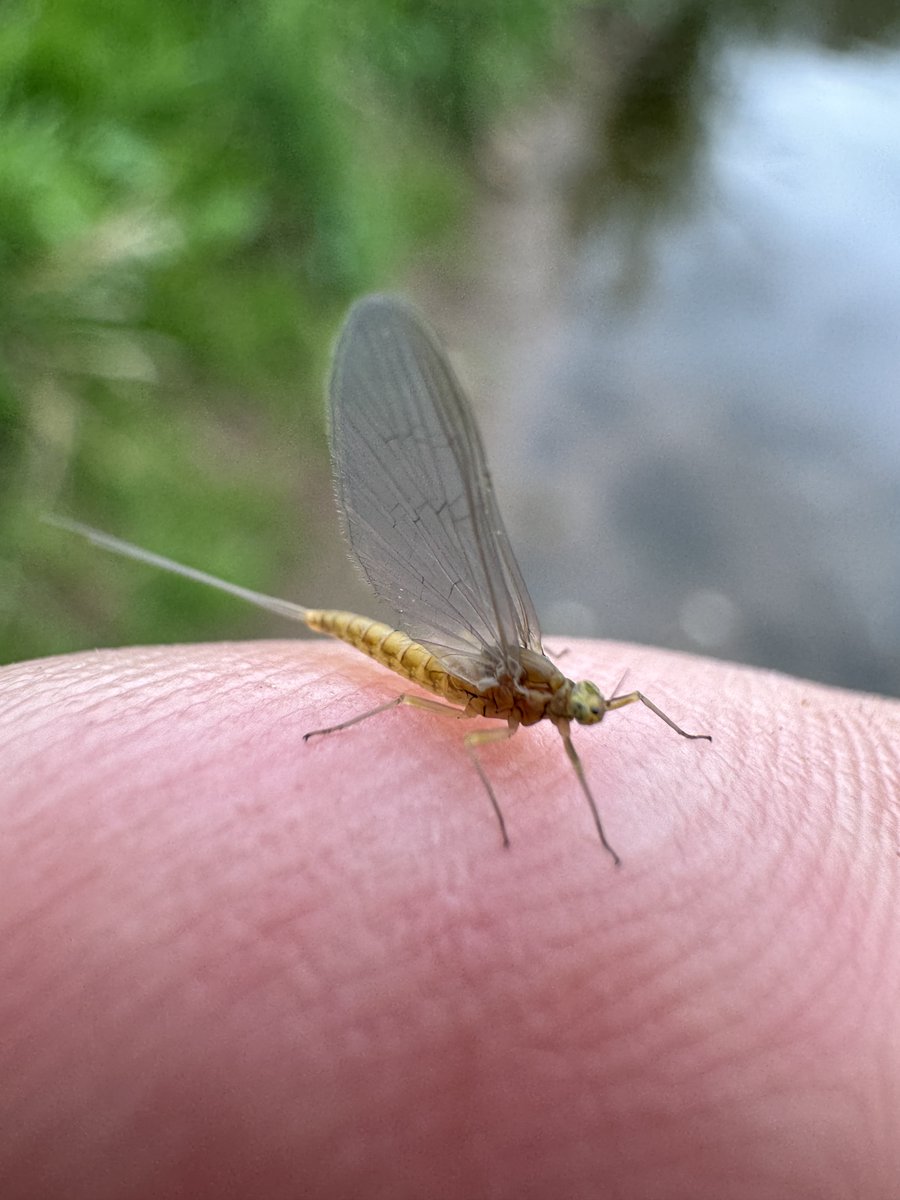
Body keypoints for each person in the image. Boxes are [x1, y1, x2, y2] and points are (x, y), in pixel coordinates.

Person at [1, 636, 897, 1198]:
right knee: (409, 697)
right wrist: (523, 821)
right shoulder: (504, 720)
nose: (588, 715)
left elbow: (624, 704)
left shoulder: (576, 704)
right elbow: (489, 750)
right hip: (430, 678)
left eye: (585, 708)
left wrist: (685, 735)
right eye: (580, 708)